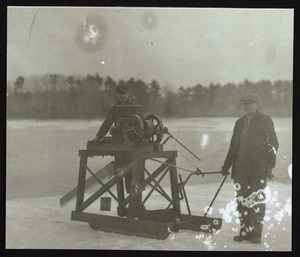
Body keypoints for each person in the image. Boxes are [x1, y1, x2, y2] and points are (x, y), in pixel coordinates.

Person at [221, 92, 279, 244]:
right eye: (245, 103)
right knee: (242, 201)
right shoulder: (239, 123)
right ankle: (244, 231)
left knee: (257, 201)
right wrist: (226, 166)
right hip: (240, 169)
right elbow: (233, 146)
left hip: (257, 170)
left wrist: (269, 166)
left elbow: (274, 145)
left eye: (250, 103)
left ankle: (255, 234)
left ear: (256, 104)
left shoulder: (265, 120)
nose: (247, 106)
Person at [91, 82, 141, 195]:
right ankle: (126, 202)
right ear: (117, 95)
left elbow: (141, 124)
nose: (122, 96)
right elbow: (107, 123)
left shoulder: (134, 108)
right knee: (121, 168)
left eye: (124, 93)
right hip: (118, 144)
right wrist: (99, 136)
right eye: (120, 93)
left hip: (133, 144)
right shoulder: (114, 110)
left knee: (134, 172)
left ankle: (134, 199)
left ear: (128, 94)